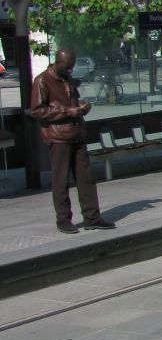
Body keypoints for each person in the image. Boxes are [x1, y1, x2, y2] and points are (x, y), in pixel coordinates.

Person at [29, 48, 116, 233]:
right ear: (57, 62)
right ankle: (63, 220)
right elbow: (37, 110)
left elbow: (72, 102)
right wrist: (68, 112)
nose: (70, 70)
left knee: (86, 179)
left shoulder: (66, 78)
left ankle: (92, 217)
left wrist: (81, 107)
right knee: (61, 181)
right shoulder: (42, 80)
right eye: (67, 67)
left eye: (72, 67)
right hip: (59, 137)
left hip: (77, 134)